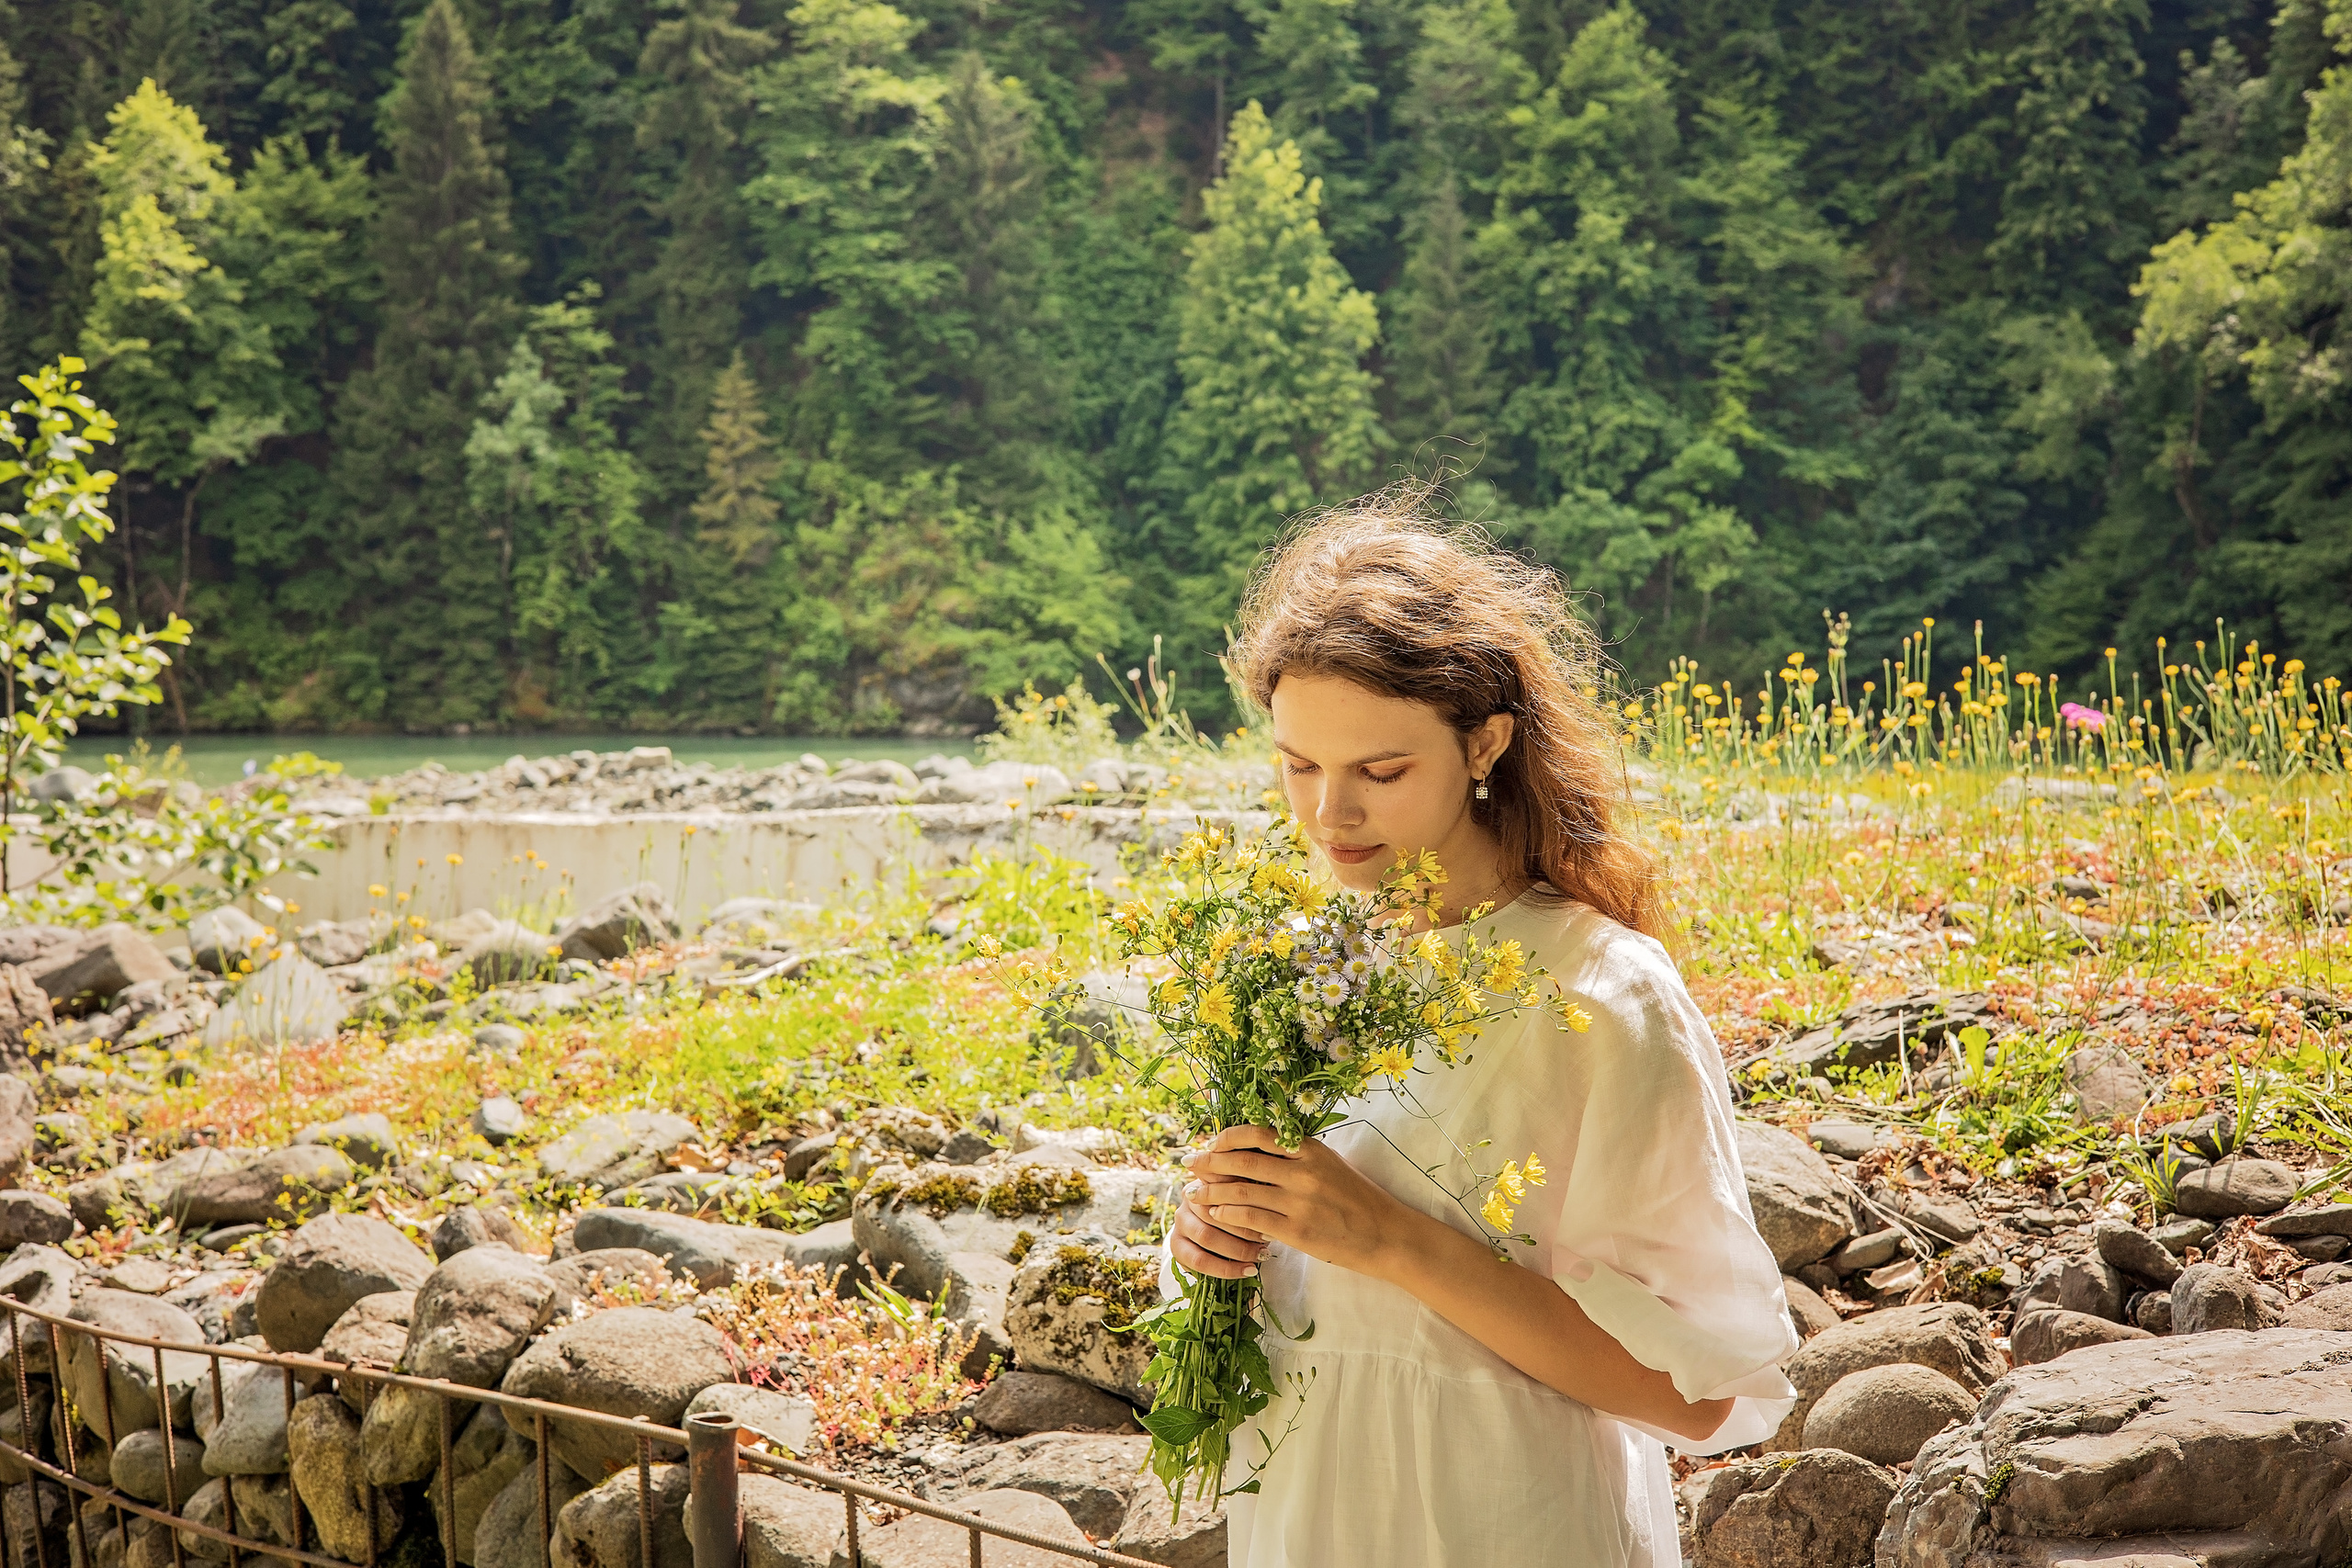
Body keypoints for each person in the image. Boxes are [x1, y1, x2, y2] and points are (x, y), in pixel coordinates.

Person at [1172, 491, 1798, 1566]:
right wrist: (1214, 1242)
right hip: (1308, 1521)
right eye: (1298, 765)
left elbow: (1700, 1399)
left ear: (1486, 743)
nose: (1330, 816)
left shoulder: (1603, 994)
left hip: (1502, 1525)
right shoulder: (1299, 966)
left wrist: (1388, 1240)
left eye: (1379, 770)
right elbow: (1314, 1294)